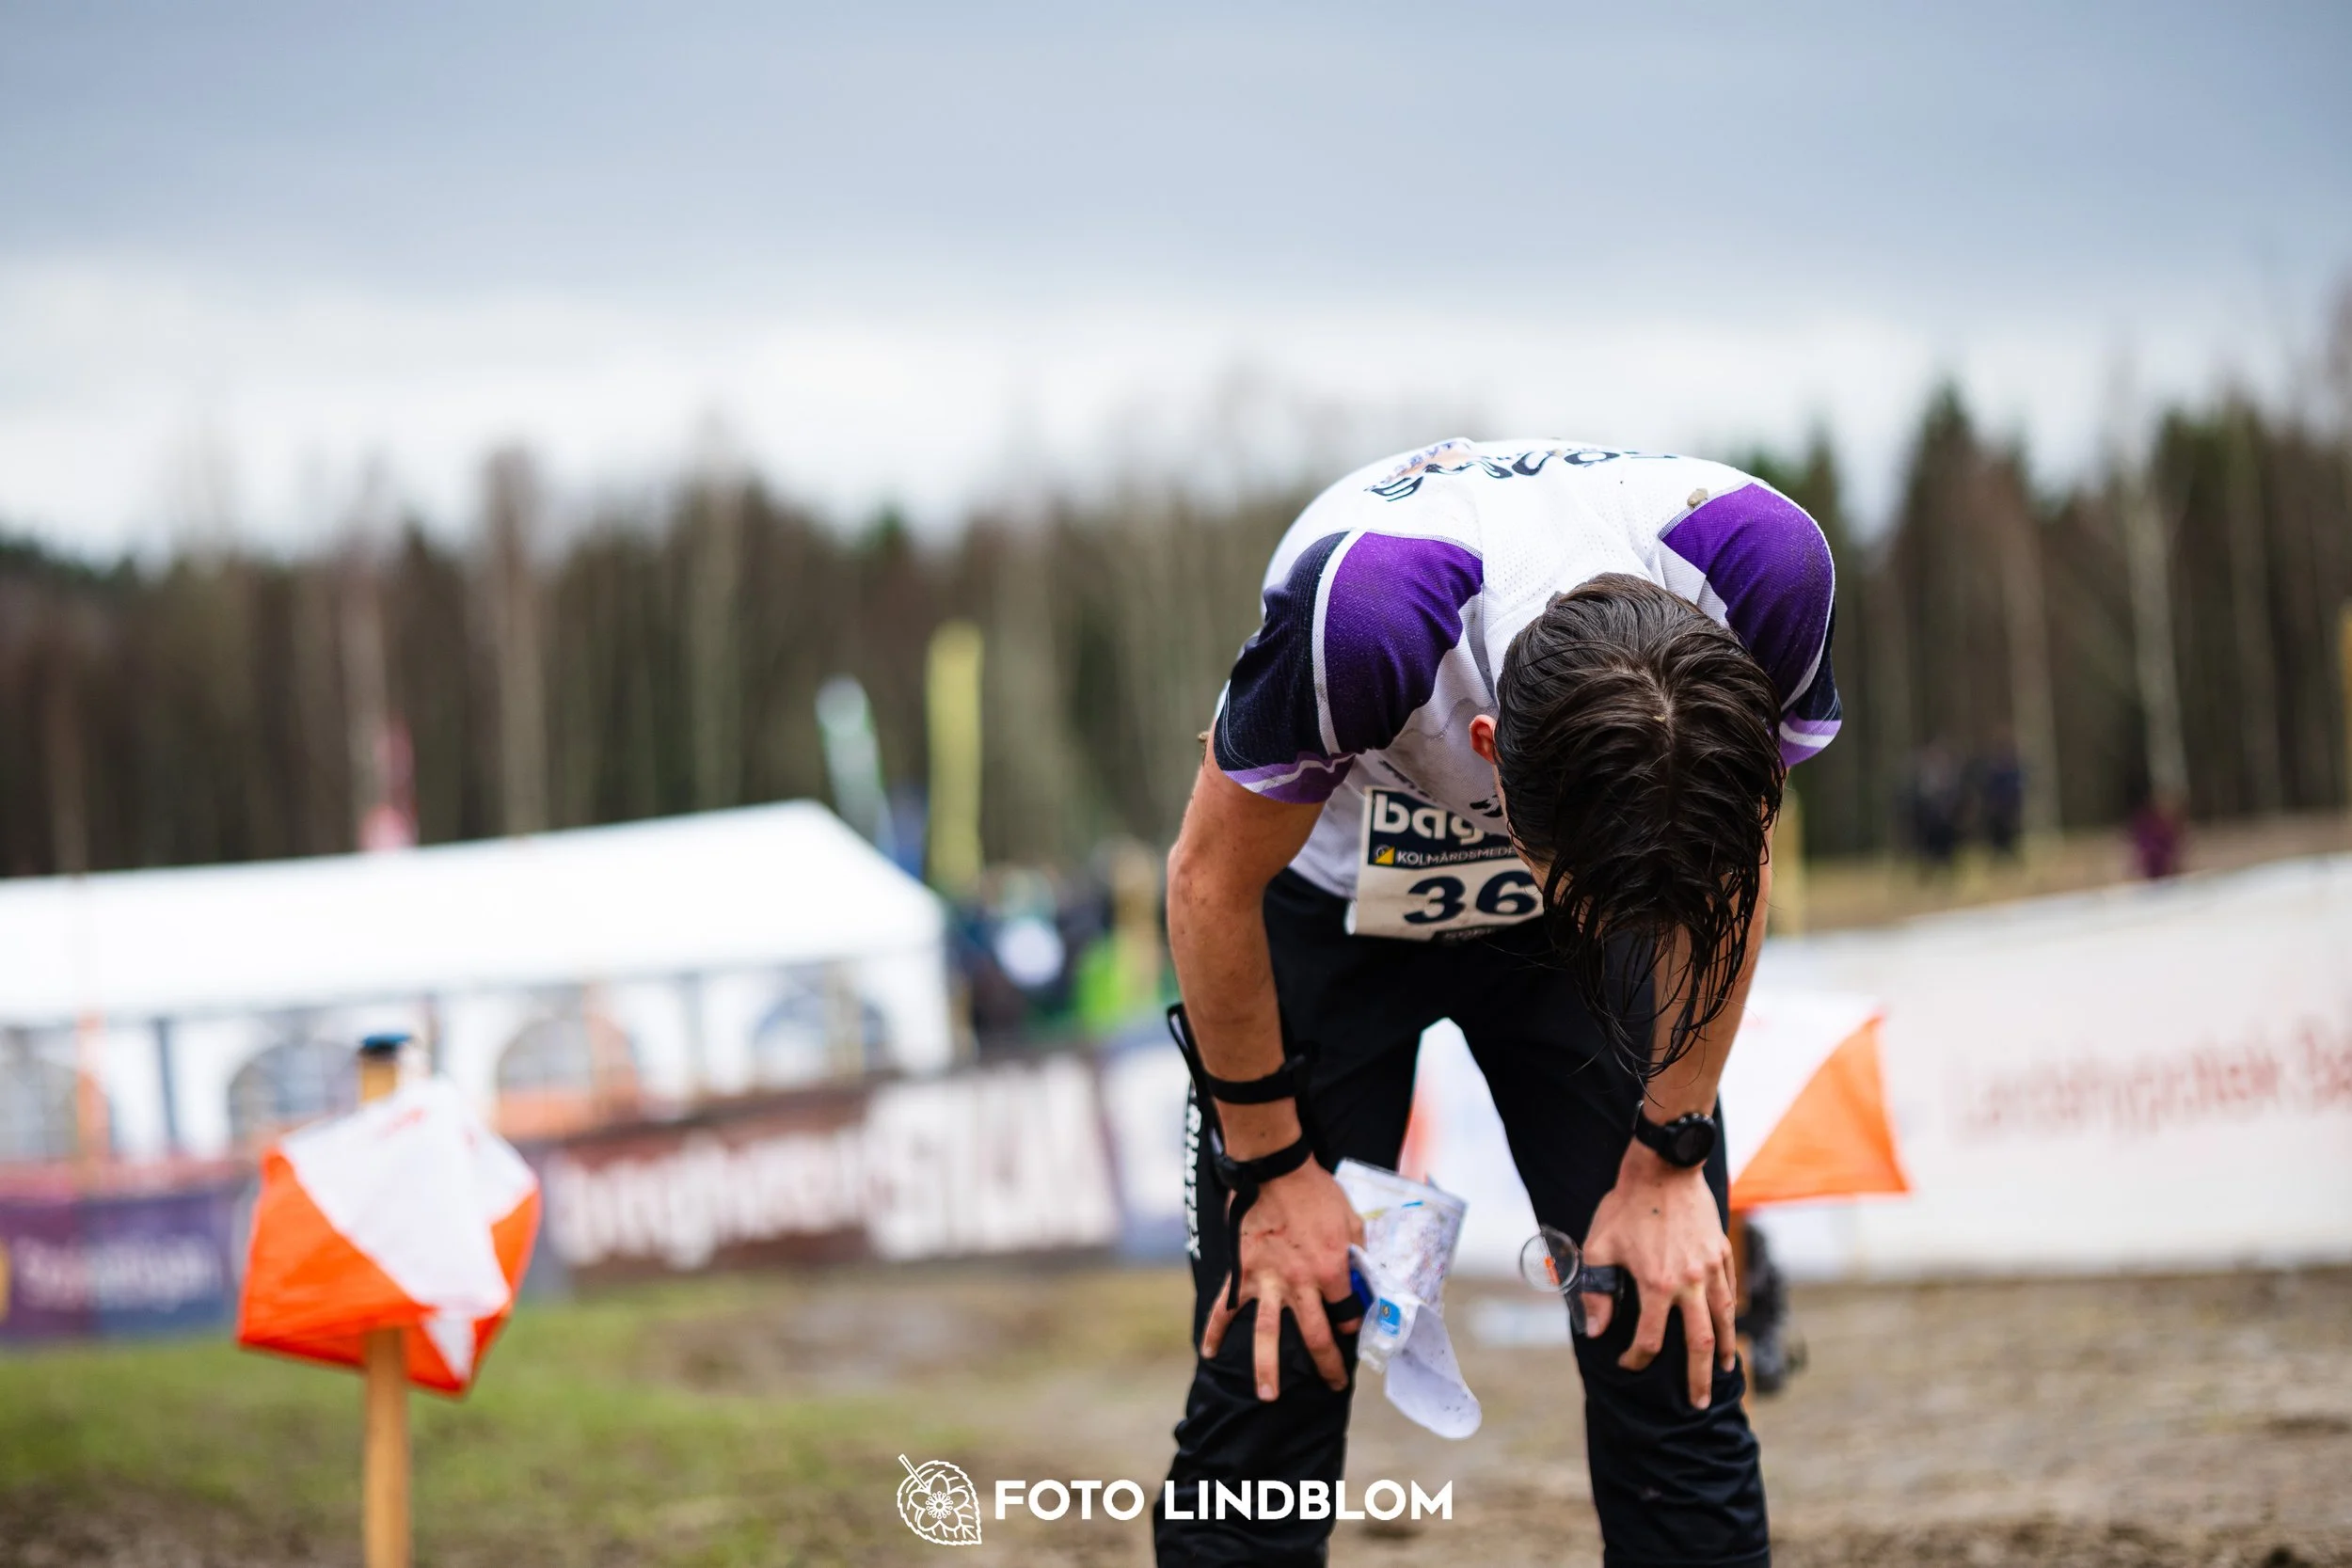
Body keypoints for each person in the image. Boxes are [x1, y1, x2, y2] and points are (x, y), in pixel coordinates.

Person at [1156, 438, 1842, 1568]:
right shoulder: (1367, 619)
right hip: (1324, 911)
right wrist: (1274, 1171)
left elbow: (1735, 858)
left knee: (1664, 1322)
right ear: (1487, 762)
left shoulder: (1768, 571)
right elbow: (1206, 879)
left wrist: (1674, 1150)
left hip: (1579, 924)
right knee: (1279, 1340)